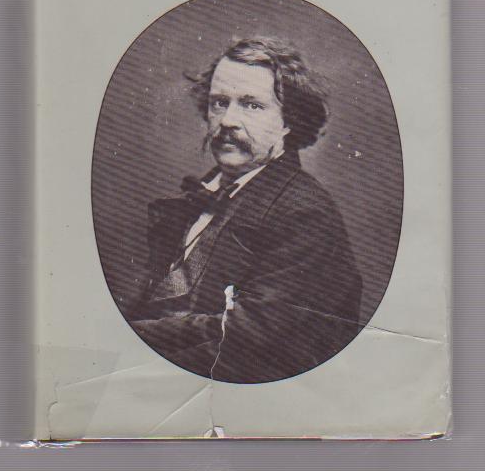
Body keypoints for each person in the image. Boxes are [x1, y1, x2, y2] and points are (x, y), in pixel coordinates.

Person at [129, 37, 362, 383]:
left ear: (289, 121)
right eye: (219, 103)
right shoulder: (195, 200)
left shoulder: (305, 214)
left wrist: (132, 344)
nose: (227, 121)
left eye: (251, 105)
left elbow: (246, 342)